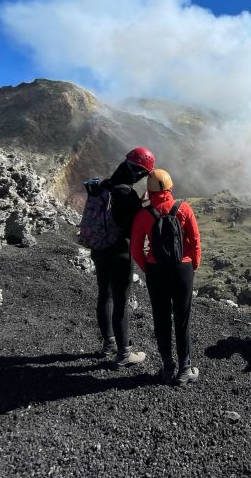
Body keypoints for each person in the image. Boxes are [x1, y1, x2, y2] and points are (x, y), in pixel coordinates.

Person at [131, 169, 202, 385]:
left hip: (156, 271)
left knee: (161, 319)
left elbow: (136, 248)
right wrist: (193, 266)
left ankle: (167, 368)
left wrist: (148, 268)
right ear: (170, 187)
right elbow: (195, 240)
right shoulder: (184, 208)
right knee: (182, 320)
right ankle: (185, 370)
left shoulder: (143, 215)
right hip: (183, 270)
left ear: (149, 191)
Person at [92, 147, 155, 366]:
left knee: (104, 295)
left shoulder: (104, 186)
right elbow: (136, 228)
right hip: (119, 253)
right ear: (138, 172)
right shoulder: (127, 193)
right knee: (121, 301)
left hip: (98, 249)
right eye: (144, 174)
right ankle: (124, 353)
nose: (143, 178)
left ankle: (108, 343)